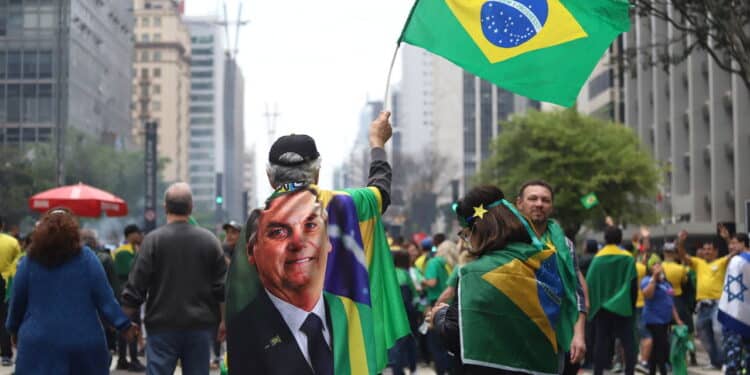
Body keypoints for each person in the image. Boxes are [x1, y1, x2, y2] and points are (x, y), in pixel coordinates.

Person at [226, 111, 410, 374]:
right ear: (317, 172)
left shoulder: (256, 224)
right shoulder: (347, 205)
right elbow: (380, 190)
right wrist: (377, 144)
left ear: (270, 177)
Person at [429, 185, 577, 374]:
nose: (468, 242)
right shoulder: (545, 260)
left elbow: (461, 334)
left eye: (466, 234)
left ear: (479, 230)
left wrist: (439, 316)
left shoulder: (477, 273)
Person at [5, 208, 137, 373]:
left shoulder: (29, 262)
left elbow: (17, 301)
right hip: (83, 344)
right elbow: (105, 300)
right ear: (74, 232)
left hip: (39, 346)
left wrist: (13, 328)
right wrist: (124, 325)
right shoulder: (88, 259)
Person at [121, 182, 227, 375]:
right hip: (200, 327)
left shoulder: (152, 241)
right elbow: (222, 288)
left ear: (165, 207)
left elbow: (136, 286)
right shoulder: (210, 241)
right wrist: (224, 321)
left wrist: (125, 323)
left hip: (162, 327)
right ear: (191, 207)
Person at [227, 188, 334, 374]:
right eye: (278, 232)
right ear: (252, 251)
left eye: (310, 227)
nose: (298, 243)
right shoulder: (244, 331)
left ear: (328, 242)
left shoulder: (350, 313)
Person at [514, 180, 587, 371]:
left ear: (551, 206)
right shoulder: (507, 242)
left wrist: (578, 335)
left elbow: (576, 293)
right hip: (515, 337)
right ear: (519, 204)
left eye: (545, 200)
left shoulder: (565, 246)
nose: (539, 203)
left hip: (555, 336)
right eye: (533, 198)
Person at [677, 229, 739, 369]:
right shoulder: (698, 263)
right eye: (704, 249)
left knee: (718, 332)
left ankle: (725, 361)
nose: (706, 252)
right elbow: (682, 255)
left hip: (718, 304)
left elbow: (734, 254)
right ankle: (715, 362)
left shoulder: (722, 261)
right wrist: (681, 242)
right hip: (702, 306)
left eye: (709, 249)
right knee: (704, 336)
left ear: (716, 252)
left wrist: (727, 239)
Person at [586, 226, 638, 375]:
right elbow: (633, 284)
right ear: (621, 239)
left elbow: (590, 284)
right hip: (623, 307)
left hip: (602, 308)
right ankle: (629, 372)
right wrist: (632, 306)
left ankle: (598, 372)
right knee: (628, 342)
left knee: (601, 341)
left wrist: (593, 307)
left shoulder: (598, 259)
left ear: (605, 238)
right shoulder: (628, 258)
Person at [640, 262, 683, 375]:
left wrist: (677, 319)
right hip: (653, 319)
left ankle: (652, 370)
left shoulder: (666, 284)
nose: (659, 268)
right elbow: (647, 294)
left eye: (660, 265)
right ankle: (662, 370)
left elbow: (671, 303)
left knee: (658, 348)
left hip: (665, 320)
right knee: (660, 347)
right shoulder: (647, 280)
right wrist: (654, 278)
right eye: (655, 265)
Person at [112, 224, 145, 371]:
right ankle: (130, 359)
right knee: (130, 326)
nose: (141, 236)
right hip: (127, 296)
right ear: (131, 234)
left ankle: (125, 359)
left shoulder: (131, 250)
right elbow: (132, 270)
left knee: (128, 326)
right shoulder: (123, 252)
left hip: (128, 295)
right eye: (138, 233)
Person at [422, 240, 457, 374]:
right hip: (452, 306)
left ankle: (441, 371)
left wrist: (421, 280)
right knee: (449, 343)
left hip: (437, 304)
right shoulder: (454, 265)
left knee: (436, 344)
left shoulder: (433, 262)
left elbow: (432, 282)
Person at [718, 232, 750, 374]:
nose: (731, 246)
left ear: (743, 243)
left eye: (735, 243)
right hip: (744, 313)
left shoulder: (738, 261)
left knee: (733, 358)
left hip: (735, 316)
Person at [0, 217, 20, 366]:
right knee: (3, 319)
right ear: (3, 225)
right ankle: (6, 355)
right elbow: (17, 263)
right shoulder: (12, 242)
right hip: (5, 284)